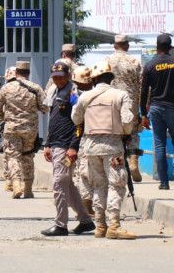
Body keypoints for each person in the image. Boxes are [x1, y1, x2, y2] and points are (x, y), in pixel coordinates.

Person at [72, 60, 136, 239]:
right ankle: (114, 225)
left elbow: (75, 118)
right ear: (110, 78)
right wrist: (126, 133)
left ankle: (100, 226)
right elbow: (127, 121)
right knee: (116, 184)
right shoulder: (120, 95)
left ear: (93, 79)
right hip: (113, 147)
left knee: (98, 186)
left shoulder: (85, 96)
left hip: (91, 147)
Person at [41, 61, 95, 236]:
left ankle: (61, 224)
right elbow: (54, 120)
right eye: (55, 77)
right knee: (67, 185)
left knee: (59, 184)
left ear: (69, 76)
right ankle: (85, 220)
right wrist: (48, 144)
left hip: (66, 146)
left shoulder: (74, 93)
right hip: (56, 144)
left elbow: (79, 123)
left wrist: (73, 146)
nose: (58, 80)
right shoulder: (54, 91)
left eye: (61, 77)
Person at [140, 33, 174, 189]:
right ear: (170, 47)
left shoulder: (149, 65)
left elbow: (143, 92)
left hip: (155, 109)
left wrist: (143, 114)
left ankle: (163, 182)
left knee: (160, 144)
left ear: (157, 47)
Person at [0, 61, 48, 199]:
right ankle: (28, 189)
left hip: (11, 128)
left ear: (16, 72)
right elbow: (45, 108)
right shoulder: (35, 88)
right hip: (30, 129)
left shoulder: (6, 88)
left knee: (13, 156)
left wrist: (5, 118)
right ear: (28, 73)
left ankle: (16, 184)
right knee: (28, 156)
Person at [107, 34, 143, 182]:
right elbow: (142, 85)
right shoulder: (135, 61)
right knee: (132, 132)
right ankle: (133, 159)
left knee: (115, 134)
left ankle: (118, 167)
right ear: (127, 46)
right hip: (131, 103)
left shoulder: (107, 61)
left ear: (114, 46)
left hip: (112, 102)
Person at [71, 65, 95, 217]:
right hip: (90, 136)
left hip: (82, 136)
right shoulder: (96, 94)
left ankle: (85, 204)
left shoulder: (74, 96)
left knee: (83, 172)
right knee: (87, 173)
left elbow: (74, 118)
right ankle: (86, 205)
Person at [0, 66, 17, 192]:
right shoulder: (29, 87)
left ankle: (10, 181)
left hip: (9, 125)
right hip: (27, 126)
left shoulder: (5, 88)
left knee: (9, 154)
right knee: (25, 155)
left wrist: (2, 119)